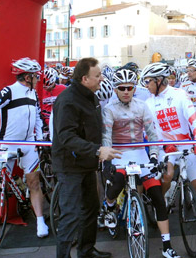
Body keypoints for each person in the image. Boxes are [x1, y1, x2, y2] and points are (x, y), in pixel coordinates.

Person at [140, 62, 196, 247]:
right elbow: (149, 131)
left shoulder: (179, 94)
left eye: (148, 81)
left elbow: (193, 119)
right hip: (165, 147)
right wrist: (164, 145)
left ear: (159, 80)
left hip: (187, 145)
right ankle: (159, 202)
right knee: (168, 175)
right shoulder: (148, 102)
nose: (146, 85)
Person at [101, 68, 178, 258]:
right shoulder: (109, 109)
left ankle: (167, 245)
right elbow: (106, 137)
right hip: (118, 153)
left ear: (134, 88)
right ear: (115, 89)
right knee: (117, 182)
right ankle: (109, 207)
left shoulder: (142, 106)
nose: (126, 91)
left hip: (140, 154)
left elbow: (152, 135)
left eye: (130, 87)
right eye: (122, 88)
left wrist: (153, 156)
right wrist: (108, 160)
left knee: (158, 198)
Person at [52, 57, 122, 258]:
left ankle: (86, 250)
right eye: (97, 75)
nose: (101, 79)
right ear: (84, 78)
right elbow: (66, 136)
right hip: (69, 165)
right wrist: (97, 150)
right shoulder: (67, 100)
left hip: (87, 163)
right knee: (70, 215)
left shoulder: (92, 96)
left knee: (91, 209)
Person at [0, 57, 49, 241]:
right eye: (36, 76)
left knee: (34, 183)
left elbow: (39, 118)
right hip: (8, 144)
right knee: (1, 184)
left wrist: (39, 140)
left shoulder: (33, 94)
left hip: (29, 144)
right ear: (27, 77)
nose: (38, 78)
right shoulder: (8, 91)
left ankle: (40, 221)